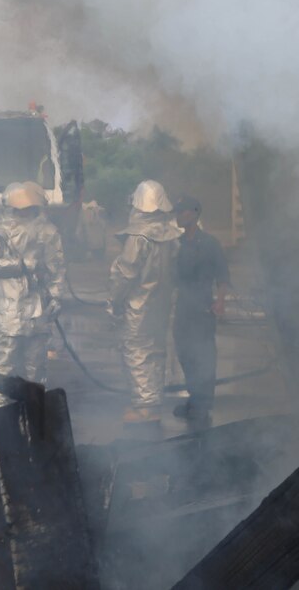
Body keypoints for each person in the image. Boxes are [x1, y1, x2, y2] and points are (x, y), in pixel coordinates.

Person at [0, 182, 66, 408]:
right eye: (20, 209)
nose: (24, 213)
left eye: (28, 209)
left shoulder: (47, 231)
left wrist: (56, 295)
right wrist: (21, 264)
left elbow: (56, 266)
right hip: (7, 310)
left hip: (37, 311)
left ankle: (35, 422)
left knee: (35, 369)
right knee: (2, 369)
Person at [109, 180, 181, 425]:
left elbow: (125, 273)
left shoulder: (138, 236)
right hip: (161, 303)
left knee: (137, 352)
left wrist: (114, 301)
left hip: (139, 304)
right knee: (156, 351)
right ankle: (153, 400)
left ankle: (144, 407)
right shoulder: (171, 234)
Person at [171, 196, 229, 423]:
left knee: (203, 355)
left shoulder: (210, 243)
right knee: (185, 353)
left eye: (182, 211)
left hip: (204, 306)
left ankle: (204, 404)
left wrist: (220, 301)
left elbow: (223, 275)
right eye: (177, 212)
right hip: (184, 306)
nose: (177, 216)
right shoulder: (178, 244)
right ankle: (194, 398)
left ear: (194, 214)